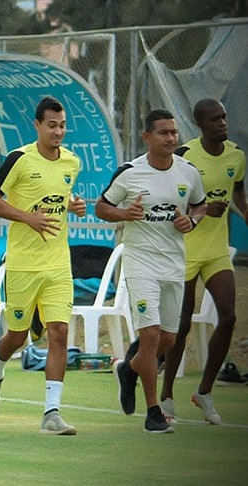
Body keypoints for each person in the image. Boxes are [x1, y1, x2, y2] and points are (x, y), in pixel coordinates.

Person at [96, 109, 206, 433]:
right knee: (150, 335)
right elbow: (102, 207)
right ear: (147, 137)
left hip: (174, 264)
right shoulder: (130, 173)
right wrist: (124, 213)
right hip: (140, 263)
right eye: (163, 133)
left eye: (173, 132)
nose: (171, 138)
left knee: (169, 340)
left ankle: (129, 370)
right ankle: (153, 413)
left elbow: (199, 204)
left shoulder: (188, 172)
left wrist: (193, 220)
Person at [0, 96, 86, 435]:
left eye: (62, 125)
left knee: (59, 332)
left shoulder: (71, 162)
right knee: (17, 335)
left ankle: (51, 413)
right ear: (37, 126)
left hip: (58, 263)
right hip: (24, 263)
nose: (58, 132)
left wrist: (74, 204)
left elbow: (60, 194)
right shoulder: (19, 159)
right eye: (52, 125)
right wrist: (27, 218)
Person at [159, 99, 246, 424]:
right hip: (184, 250)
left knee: (228, 317)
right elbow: (168, 198)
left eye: (224, 117)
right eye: (215, 119)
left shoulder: (236, 155)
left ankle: (204, 392)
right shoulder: (184, 156)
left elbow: (238, 189)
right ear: (201, 125)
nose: (223, 123)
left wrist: (245, 212)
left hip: (215, 250)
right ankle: (166, 397)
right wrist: (202, 208)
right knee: (178, 326)